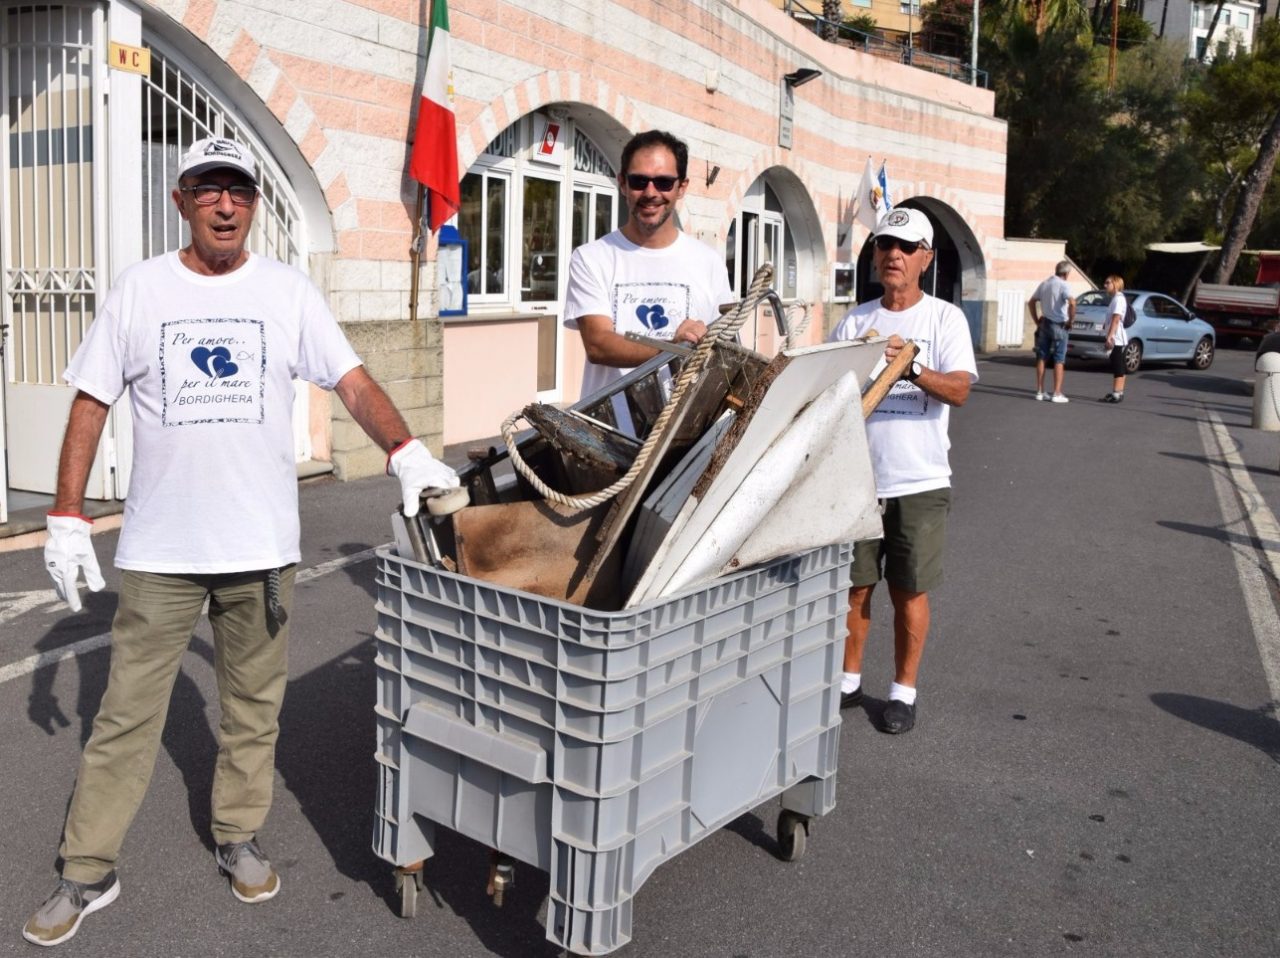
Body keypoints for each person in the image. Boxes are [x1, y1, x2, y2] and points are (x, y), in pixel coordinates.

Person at [23, 137, 459, 947]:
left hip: (261, 549)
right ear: (181, 201)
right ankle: (86, 869)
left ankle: (237, 834)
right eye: (207, 188)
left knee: (253, 709)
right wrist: (68, 515)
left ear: (254, 204)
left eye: (240, 190)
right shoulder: (141, 289)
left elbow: (351, 379)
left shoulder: (287, 292)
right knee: (124, 717)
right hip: (160, 553)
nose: (225, 204)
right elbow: (90, 401)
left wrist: (405, 450)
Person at [828, 208, 977, 734]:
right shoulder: (854, 321)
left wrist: (908, 365)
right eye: (886, 244)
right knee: (855, 587)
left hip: (920, 481)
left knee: (908, 590)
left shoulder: (944, 319)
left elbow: (959, 390)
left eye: (907, 247)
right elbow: (830, 392)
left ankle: (902, 692)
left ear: (925, 258)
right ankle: (848, 681)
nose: (894, 254)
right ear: (875, 255)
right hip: (858, 480)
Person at [564, 129, 733, 432]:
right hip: (606, 437)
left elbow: (723, 351)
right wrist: (674, 348)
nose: (651, 192)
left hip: (686, 435)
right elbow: (598, 345)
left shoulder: (709, 262)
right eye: (639, 181)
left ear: (681, 187)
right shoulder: (591, 258)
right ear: (622, 184)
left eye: (664, 182)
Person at [1028, 260, 1076, 403]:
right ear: (1066, 273)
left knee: (1042, 356)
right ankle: (1057, 393)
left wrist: (1036, 321)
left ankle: (1040, 391)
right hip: (1059, 324)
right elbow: (1072, 302)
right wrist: (1071, 321)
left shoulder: (1045, 283)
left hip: (1045, 323)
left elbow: (1031, 302)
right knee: (1059, 358)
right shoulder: (1064, 285)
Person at [1099, 274, 1129, 403]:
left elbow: (1116, 319)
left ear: (1115, 284)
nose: (1105, 285)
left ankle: (1117, 393)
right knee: (1118, 364)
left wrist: (1110, 336)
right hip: (1116, 336)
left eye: (1108, 283)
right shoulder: (1116, 298)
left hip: (1117, 337)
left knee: (1117, 364)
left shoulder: (1118, 299)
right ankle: (1119, 392)